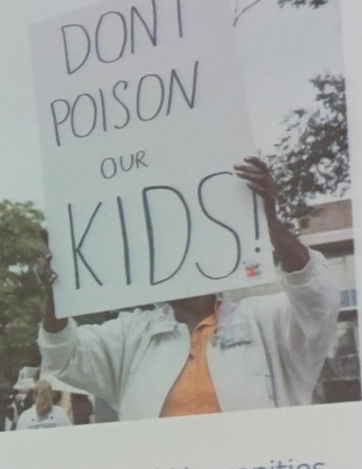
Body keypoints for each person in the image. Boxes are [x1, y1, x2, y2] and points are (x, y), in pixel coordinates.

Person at [37, 157, 342, 419]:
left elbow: (319, 299)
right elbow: (63, 355)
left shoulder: (263, 320)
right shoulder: (132, 335)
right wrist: (58, 289)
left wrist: (270, 222)